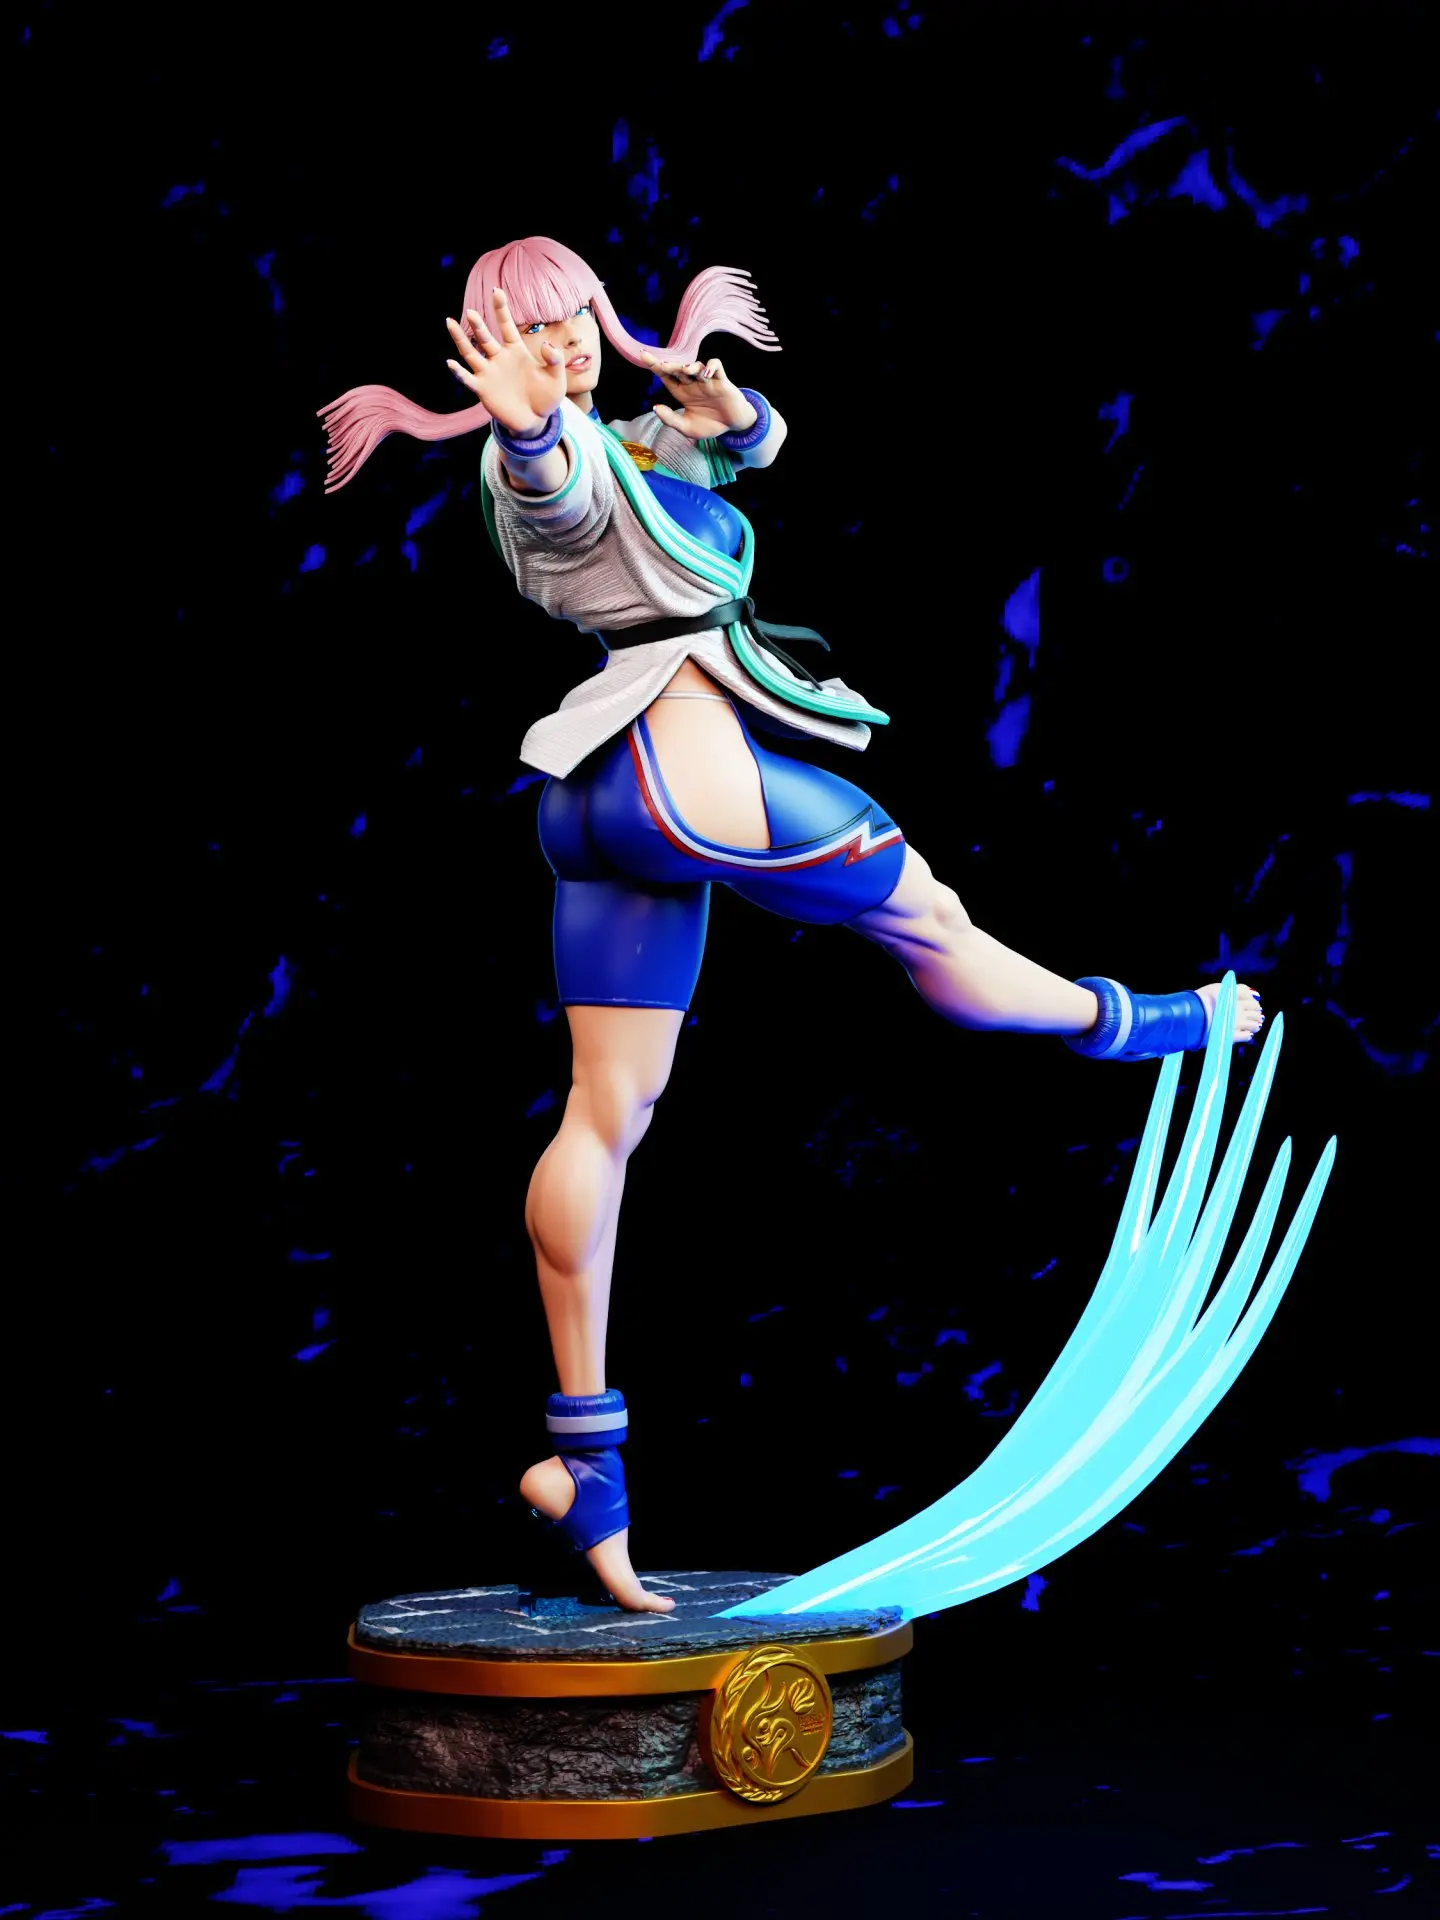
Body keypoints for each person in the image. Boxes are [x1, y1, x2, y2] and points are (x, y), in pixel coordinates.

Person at [319, 236, 1261, 1614]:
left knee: (606, 1112)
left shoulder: (627, 439)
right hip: (687, 773)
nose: (562, 348)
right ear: (492, 347)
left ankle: (587, 1468)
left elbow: (735, 453)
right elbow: (563, 504)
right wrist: (526, 439)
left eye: (576, 321)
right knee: (934, 927)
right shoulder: (542, 465)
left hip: (593, 801)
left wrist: (723, 405)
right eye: (531, 331)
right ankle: (1140, 1023)